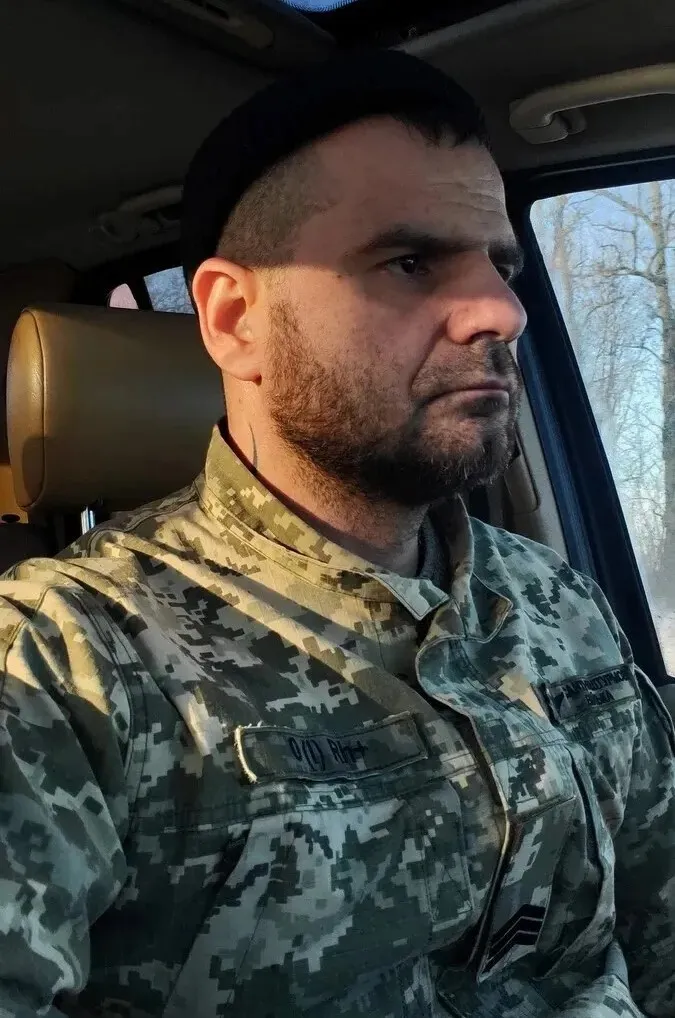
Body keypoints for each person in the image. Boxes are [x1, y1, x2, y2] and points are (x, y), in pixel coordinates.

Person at [0, 49, 673, 1018]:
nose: (501, 310)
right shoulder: (63, 662)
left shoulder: (557, 600)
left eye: (502, 265)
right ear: (235, 319)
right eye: (410, 262)